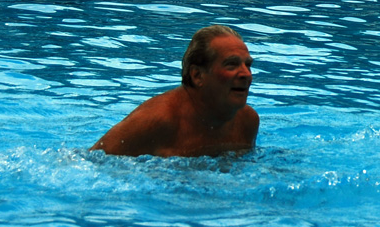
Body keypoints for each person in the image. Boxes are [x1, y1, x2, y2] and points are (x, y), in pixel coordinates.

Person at [91, 25, 259, 158]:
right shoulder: (156, 120)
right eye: (231, 64)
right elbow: (91, 163)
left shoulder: (247, 122)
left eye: (248, 65)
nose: (246, 74)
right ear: (197, 75)